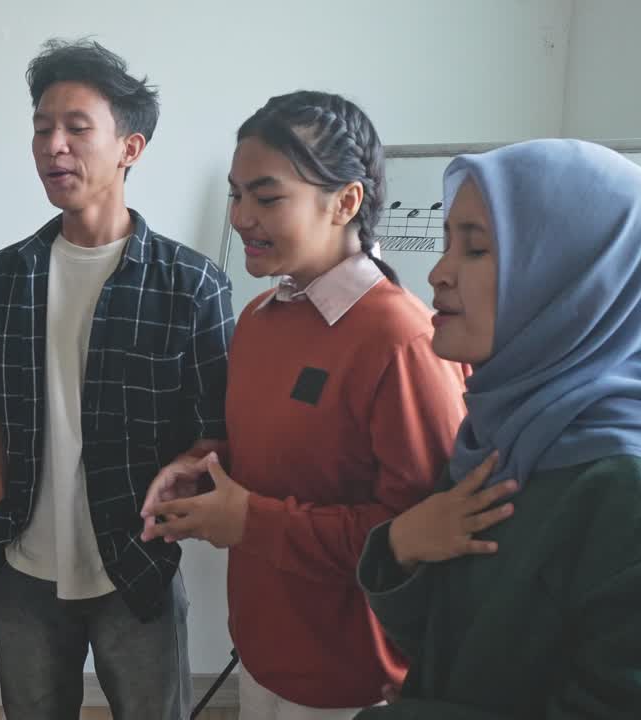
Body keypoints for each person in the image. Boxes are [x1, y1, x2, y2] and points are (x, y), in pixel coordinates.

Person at [358, 138, 641, 717]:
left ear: (577, 283)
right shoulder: (509, 435)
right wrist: (402, 547)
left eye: (477, 249)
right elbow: (477, 636)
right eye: (447, 244)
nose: (438, 273)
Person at [141, 91, 469, 717]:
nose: (241, 217)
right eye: (237, 195)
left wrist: (250, 522)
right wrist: (206, 466)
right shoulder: (262, 316)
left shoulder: (401, 339)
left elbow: (422, 538)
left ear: (346, 202)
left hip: (356, 680)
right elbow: (283, 451)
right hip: (265, 650)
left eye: (267, 198)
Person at [0, 39, 233, 720]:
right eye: (41, 128)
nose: (54, 146)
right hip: (22, 570)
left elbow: (219, 431)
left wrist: (172, 497)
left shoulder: (192, 283)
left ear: (129, 148)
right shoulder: (5, 276)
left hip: (136, 568)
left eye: (76, 128)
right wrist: (1, 528)